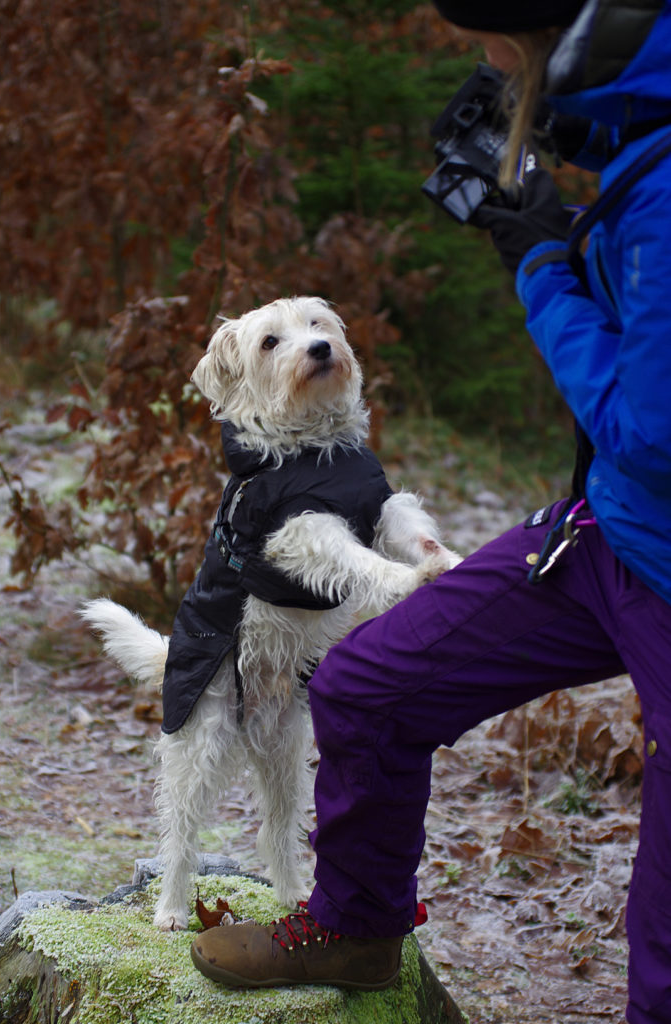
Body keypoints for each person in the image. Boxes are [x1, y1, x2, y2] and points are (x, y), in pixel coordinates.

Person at [190, 2, 671, 1020]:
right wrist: (568, 135)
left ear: (550, 30)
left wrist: (540, 264)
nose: (485, 64)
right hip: (613, 536)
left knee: (665, 935)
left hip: (658, 539)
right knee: (370, 684)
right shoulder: (646, 125)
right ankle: (358, 927)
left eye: (492, 42)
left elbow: (651, 429)